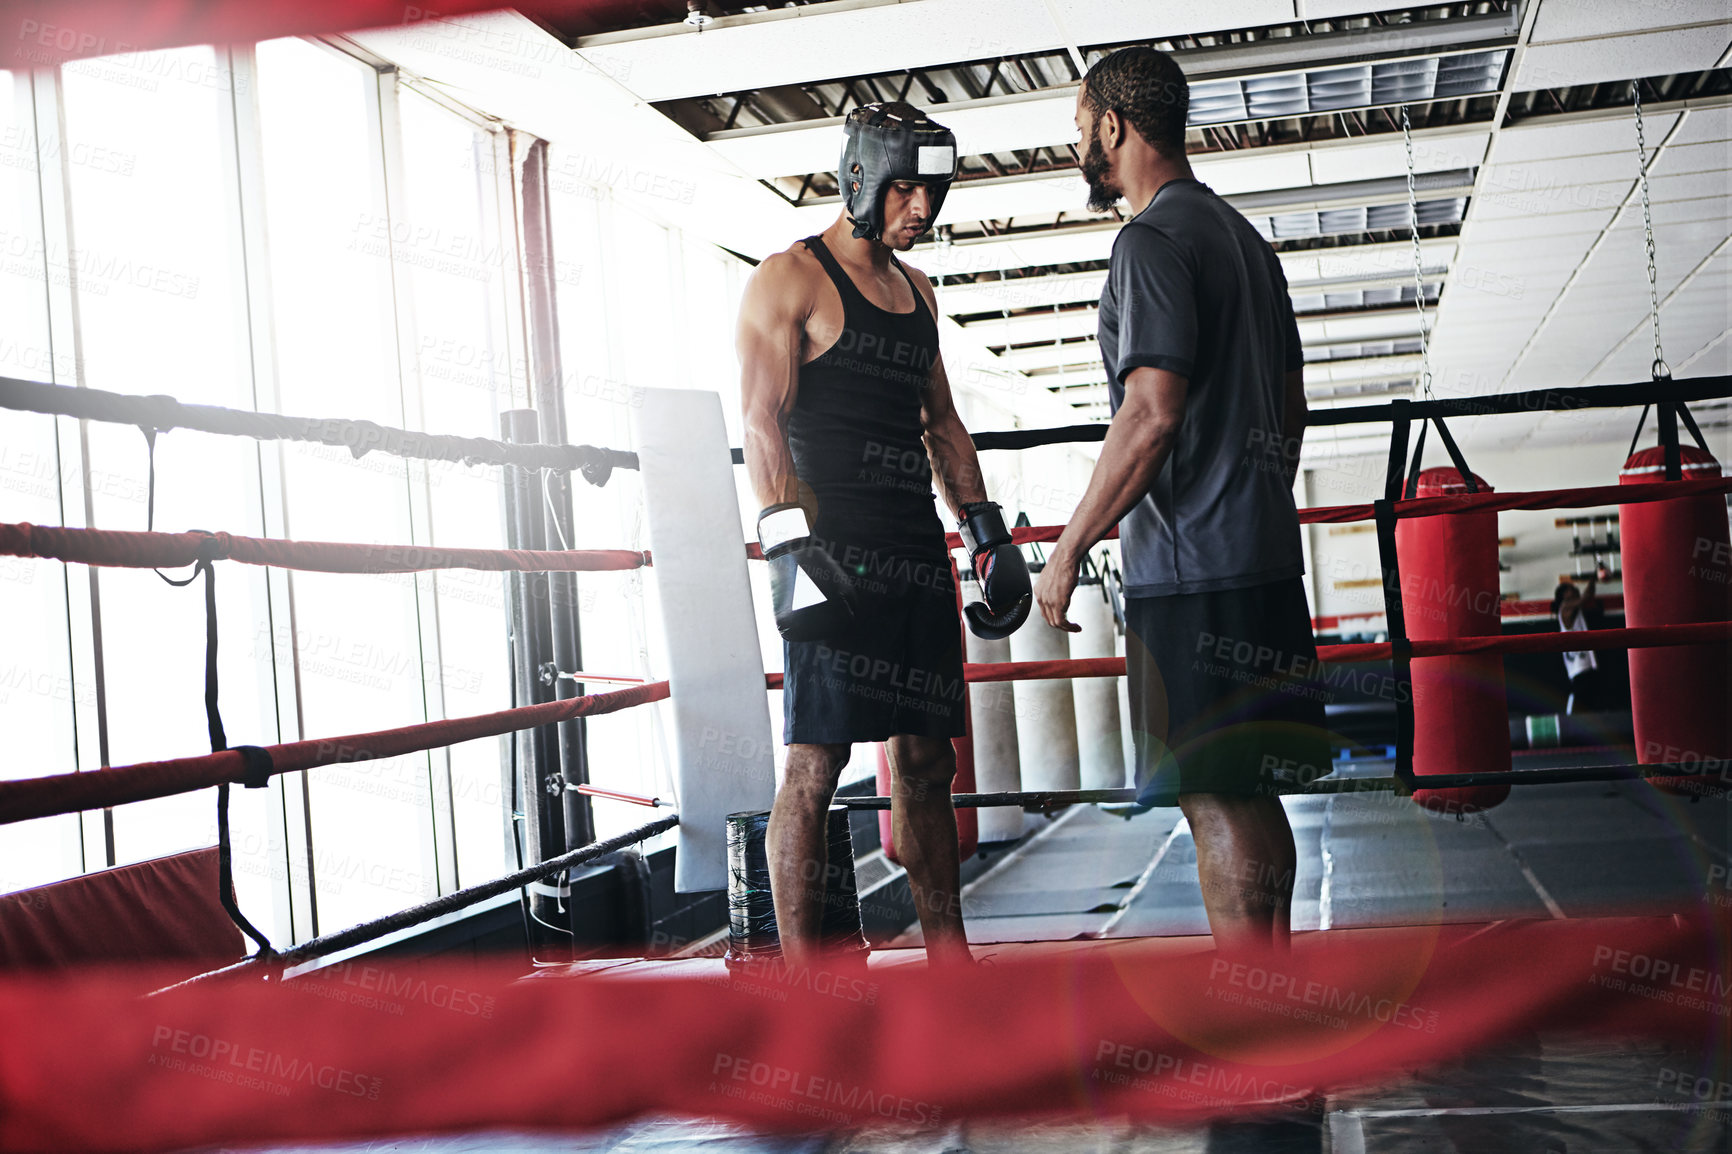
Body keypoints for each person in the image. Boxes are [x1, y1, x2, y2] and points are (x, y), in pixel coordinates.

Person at [1031, 46, 1328, 953]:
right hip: (1258, 556)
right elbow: (1291, 408)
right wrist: (1252, 499)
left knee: (1213, 792)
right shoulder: (1242, 239)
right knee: (1250, 787)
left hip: (1194, 570)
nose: (1081, 146)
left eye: (1082, 129)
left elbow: (1150, 416)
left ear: (1113, 127)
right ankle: (1272, 1001)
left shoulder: (1149, 240)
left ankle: (1251, 1021)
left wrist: (1071, 544)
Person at [736, 102, 1031, 968]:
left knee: (928, 761)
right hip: (830, 548)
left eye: (932, 193)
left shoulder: (916, 291)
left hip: (913, 549)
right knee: (814, 768)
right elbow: (760, 419)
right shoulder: (788, 278)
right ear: (862, 179)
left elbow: (941, 421)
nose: (922, 210)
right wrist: (788, 544)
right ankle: (800, 983)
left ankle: (951, 962)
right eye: (907, 189)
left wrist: (983, 532)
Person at [1553, 569, 1605, 713]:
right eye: (1570, 588)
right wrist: (1594, 576)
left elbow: (1589, 595)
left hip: (1587, 666)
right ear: (1564, 594)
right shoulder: (1565, 608)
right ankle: (1569, 720)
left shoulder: (1576, 609)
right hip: (1578, 669)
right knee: (1579, 704)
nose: (1575, 588)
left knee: (1590, 705)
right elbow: (1586, 596)